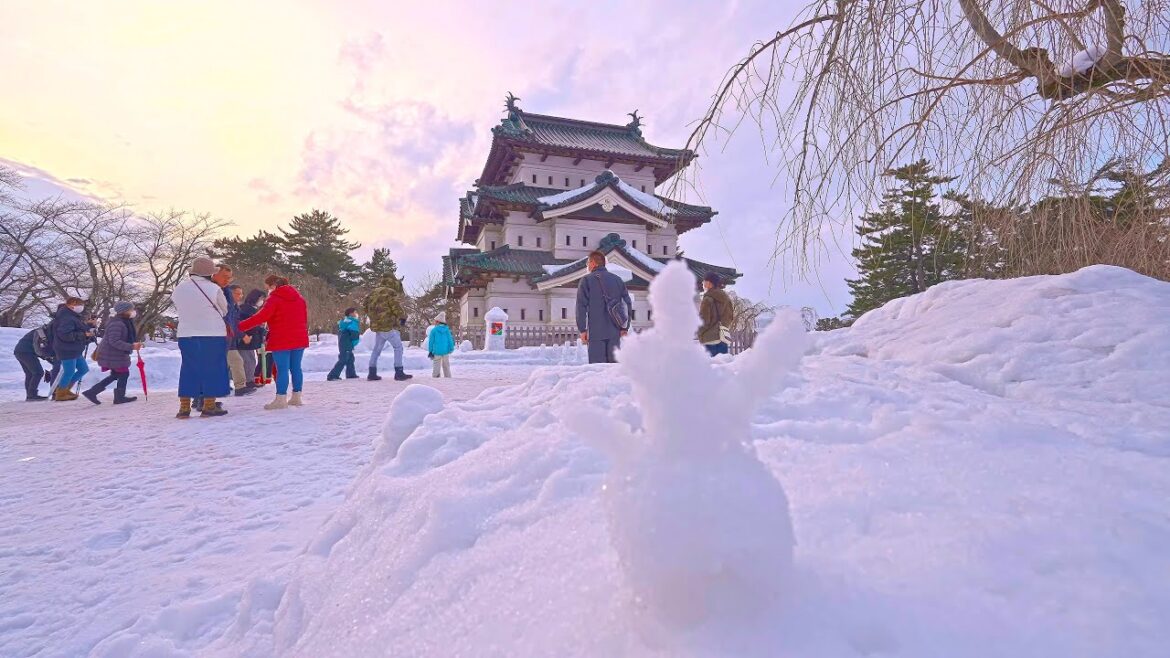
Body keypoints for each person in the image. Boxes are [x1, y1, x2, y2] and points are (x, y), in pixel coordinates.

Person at [171, 256, 231, 418]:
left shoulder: (179, 289)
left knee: (189, 368)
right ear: (210, 274)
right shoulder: (214, 289)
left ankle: (184, 408)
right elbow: (224, 309)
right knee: (213, 369)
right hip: (213, 334)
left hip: (186, 333)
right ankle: (209, 406)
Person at [238, 274, 309, 410]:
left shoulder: (274, 299)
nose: (268, 291)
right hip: (299, 337)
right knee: (296, 368)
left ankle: (281, 399)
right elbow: (304, 319)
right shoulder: (300, 299)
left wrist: (239, 326)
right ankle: (296, 397)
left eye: (268, 287)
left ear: (273, 286)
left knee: (282, 369)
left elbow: (261, 317)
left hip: (281, 338)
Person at [575, 251, 632, 364]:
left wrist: (582, 329)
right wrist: (625, 328)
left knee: (597, 368)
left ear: (593, 263)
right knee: (613, 369)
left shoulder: (586, 280)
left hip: (595, 333)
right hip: (614, 332)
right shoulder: (617, 280)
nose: (587, 266)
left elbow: (581, 306)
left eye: (588, 263)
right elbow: (627, 304)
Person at [82, 301, 144, 404]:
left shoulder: (123, 322)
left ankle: (92, 392)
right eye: (130, 310)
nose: (133, 312)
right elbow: (114, 341)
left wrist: (133, 345)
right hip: (113, 354)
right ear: (124, 311)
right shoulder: (118, 323)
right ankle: (119, 397)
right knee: (123, 373)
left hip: (115, 354)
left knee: (116, 374)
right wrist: (132, 346)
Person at [212, 266, 256, 397]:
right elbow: (229, 321)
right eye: (238, 293)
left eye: (229, 278)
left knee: (232, 362)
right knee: (234, 362)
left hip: (229, 338)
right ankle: (238, 387)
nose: (240, 296)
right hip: (221, 337)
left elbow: (233, 321)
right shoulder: (220, 296)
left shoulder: (233, 304)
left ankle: (233, 386)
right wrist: (242, 335)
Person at [362, 275, 412, 381]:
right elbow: (396, 306)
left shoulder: (373, 292)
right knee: (398, 348)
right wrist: (403, 317)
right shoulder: (390, 292)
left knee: (376, 350)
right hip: (389, 326)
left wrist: (374, 317)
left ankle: (372, 373)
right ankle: (399, 372)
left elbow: (365, 305)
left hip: (377, 327)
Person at [51, 297, 97, 401]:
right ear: (72, 304)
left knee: (83, 369)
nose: (81, 308)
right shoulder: (66, 317)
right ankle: (61, 393)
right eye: (80, 305)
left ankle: (65, 389)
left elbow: (76, 328)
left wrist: (89, 326)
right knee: (69, 371)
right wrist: (84, 334)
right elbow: (64, 334)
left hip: (74, 348)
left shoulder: (72, 316)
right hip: (66, 348)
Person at [12, 324, 53, 401]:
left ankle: (30, 395)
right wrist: (52, 361)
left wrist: (51, 361)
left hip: (19, 351)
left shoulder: (41, 331)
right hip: (26, 351)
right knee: (38, 372)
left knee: (30, 373)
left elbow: (40, 349)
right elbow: (41, 349)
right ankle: (32, 395)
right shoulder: (43, 334)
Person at [698, 272, 734, 357]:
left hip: (709, 339)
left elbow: (703, 320)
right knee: (722, 366)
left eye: (705, 281)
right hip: (722, 338)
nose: (703, 283)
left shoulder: (707, 299)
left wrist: (700, 334)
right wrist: (723, 327)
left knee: (709, 368)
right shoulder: (726, 298)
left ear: (710, 283)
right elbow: (730, 317)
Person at [238, 289, 268, 385]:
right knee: (248, 361)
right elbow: (248, 324)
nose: (262, 301)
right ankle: (248, 381)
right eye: (261, 298)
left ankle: (250, 380)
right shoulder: (246, 309)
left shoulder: (253, 309)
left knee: (251, 360)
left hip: (251, 339)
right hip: (246, 339)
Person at [326, 307, 361, 381]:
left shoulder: (344, 322)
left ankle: (351, 374)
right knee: (343, 359)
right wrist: (354, 343)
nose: (356, 314)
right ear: (351, 314)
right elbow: (354, 335)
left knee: (350, 358)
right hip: (347, 344)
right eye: (355, 312)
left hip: (343, 344)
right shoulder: (352, 322)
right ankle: (332, 375)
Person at [427, 313, 455, 378]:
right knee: (446, 365)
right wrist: (451, 348)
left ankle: (436, 377)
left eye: (435, 321)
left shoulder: (434, 330)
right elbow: (450, 339)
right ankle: (448, 377)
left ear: (438, 321)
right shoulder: (447, 330)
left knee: (436, 364)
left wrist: (430, 351)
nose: (434, 322)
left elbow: (431, 342)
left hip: (437, 351)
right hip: (445, 351)